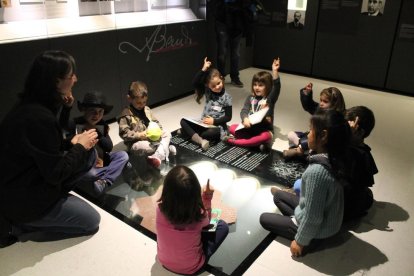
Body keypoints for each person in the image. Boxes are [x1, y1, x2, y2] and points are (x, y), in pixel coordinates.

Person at [0, 50, 101, 248]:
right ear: (56, 81)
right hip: (23, 200)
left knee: (89, 154)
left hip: (30, 181)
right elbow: (55, 172)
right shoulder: (37, 118)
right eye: (71, 75)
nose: (75, 79)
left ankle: (55, 201)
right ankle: (18, 227)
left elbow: (46, 147)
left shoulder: (31, 107)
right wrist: (79, 145)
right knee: (91, 221)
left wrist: (75, 143)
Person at [260, 109, 351, 257]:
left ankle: (309, 237)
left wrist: (300, 241)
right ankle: (297, 221)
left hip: (320, 229)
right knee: (279, 197)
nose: (307, 135)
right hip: (327, 218)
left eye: (310, 131)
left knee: (264, 219)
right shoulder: (335, 157)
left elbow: (313, 216)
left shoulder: (318, 172)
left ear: (323, 136)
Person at [156, 165, 229, 274]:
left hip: (164, 261)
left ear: (166, 190)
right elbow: (208, 224)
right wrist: (207, 199)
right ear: (195, 193)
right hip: (192, 268)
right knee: (222, 226)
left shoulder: (159, 210)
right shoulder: (199, 215)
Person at [69, 91, 129, 196]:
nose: (97, 115)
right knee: (90, 174)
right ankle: (114, 170)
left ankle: (103, 181)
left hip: (102, 161)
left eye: (100, 111)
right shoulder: (74, 124)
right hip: (86, 166)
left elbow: (109, 147)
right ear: (84, 110)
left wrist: (97, 132)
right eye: (92, 111)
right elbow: (69, 149)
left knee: (123, 155)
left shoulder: (102, 124)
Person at [223, 57, 281, 151]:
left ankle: (233, 142)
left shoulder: (269, 99)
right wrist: (245, 119)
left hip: (263, 131)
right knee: (232, 127)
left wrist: (274, 71)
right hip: (250, 129)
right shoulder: (250, 98)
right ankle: (256, 144)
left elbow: (277, 87)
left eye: (261, 85)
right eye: (255, 85)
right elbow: (244, 110)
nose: (257, 88)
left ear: (268, 86)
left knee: (265, 137)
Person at [118, 80, 176, 169]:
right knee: (147, 147)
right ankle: (164, 149)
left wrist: (157, 130)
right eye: (138, 103)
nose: (142, 105)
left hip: (151, 138)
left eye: (144, 102)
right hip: (137, 142)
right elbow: (124, 133)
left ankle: (159, 154)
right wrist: (139, 135)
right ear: (129, 98)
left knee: (167, 133)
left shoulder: (147, 110)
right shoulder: (126, 114)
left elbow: (157, 123)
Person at [179, 57, 232, 151]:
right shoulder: (208, 91)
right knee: (183, 121)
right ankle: (199, 139)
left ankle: (190, 133)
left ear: (221, 79)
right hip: (203, 123)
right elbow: (195, 83)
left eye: (218, 83)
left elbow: (228, 117)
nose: (217, 87)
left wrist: (214, 121)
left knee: (210, 133)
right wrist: (203, 69)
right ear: (208, 86)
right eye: (213, 86)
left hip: (216, 127)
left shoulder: (227, 97)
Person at [283, 83, 346, 159]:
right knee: (291, 134)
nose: (321, 104)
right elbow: (309, 105)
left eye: (325, 101)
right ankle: (301, 148)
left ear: (334, 104)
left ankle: (301, 150)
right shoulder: (320, 109)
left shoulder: (337, 119)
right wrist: (307, 93)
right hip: (311, 138)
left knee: (312, 150)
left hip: (321, 144)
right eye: (321, 100)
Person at [343, 106, 378, 221]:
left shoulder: (355, 154)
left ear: (360, 132)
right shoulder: (363, 152)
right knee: (367, 194)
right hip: (352, 203)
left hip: (342, 208)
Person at [213, 0, 258, 87]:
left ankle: (234, 77)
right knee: (222, 52)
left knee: (235, 53)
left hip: (237, 22)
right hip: (223, 20)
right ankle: (222, 76)